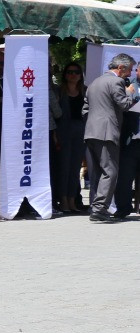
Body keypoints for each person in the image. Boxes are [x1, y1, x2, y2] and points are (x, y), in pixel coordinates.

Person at [84, 54, 136, 222]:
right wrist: (130, 93)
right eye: (129, 70)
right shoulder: (116, 82)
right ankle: (100, 209)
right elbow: (125, 104)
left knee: (99, 172)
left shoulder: (95, 82)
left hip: (91, 132)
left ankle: (96, 207)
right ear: (120, 68)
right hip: (107, 133)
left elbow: (85, 109)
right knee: (110, 171)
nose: (130, 74)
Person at [50, 63, 87, 213]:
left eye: (76, 72)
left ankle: (72, 200)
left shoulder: (85, 91)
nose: (73, 75)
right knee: (63, 167)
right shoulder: (59, 91)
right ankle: (63, 199)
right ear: (65, 74)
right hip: (63, 131)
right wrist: (54, 133)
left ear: (80, 75)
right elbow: (54, 114)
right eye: (70, 72)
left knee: (75, 167)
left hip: (81, 130)